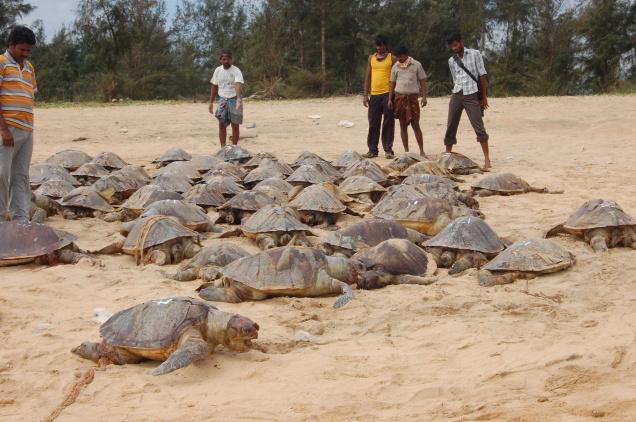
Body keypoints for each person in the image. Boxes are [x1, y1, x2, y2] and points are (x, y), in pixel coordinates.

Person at [0, 26, 37, 223]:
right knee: (1, 175)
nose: (25, 54)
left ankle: (21, 219)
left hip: (27, 130)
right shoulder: (1, 63)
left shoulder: (29, 68)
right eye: (21, 49)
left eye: (28, 51)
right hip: (7, 130)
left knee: (21, 176)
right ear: (11, 45)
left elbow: (29, 95)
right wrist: (4, 129)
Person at [444, 33, 491, 169]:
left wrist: (483, 97)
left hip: (472, 94)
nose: (454, 48)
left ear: (461, 42)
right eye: (452, 46)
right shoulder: (451, 61)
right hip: (457, 94)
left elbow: (482, 75)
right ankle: (447, 156)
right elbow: (455, 78)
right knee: (451, 125)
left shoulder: (475, 54)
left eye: (456, 45)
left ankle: (487, 159)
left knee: (479, 126)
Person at [388, 46, 428, 157]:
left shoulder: (416, 65)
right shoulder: (395, 66)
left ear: (406, 54)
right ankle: (406, 151)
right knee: (402, 125)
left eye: (400, 56)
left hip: (412, 98)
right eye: (397, 57)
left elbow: (422, 81)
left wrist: (424, 97)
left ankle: (422, 151)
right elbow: (392, 83)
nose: (399, 59)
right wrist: (390, 99)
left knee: (416, 125)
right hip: (399, 98)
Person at [362, 35, 395, 159]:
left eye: (381, 45)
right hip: (374, 95)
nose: (379, 48)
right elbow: (368, 77)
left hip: (388, 94)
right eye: (377, 45)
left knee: (388, 123)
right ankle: (372, 150)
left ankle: (388, 150)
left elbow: (398, 75)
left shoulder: (392, 58)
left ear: (386, 45)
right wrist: (365, 95)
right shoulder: (371, 58)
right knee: (373, 123)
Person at [209, 48, 244, 147]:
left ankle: (234, 147)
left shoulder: (236, 70)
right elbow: (214, 86)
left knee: (235, 125)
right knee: (221, 125)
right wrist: (211, 102)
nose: (226, 61)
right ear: (220, 60)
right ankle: (223, 147)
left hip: (234, 99)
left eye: (228, 59)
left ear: (231, 59)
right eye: (224, 59)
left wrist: (238, 100)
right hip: (223, 99)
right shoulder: (217, 70)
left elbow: (237, 84)